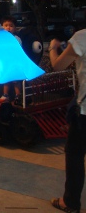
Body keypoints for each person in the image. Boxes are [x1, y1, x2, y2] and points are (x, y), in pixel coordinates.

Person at [49, 29, 86, 213]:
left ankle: (70, 202)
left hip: (85, 113)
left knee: (75, 154)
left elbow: (58, 65)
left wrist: (53, 48)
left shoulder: (82, 37)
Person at [0, 16, 23, 103]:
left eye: (11, 25)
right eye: (6, 25)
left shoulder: (16, 38)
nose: (8, 27)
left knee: (16, 81)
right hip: (5, 62)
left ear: (15, 28)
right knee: (6, 80)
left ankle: (18, 96)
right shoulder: (1, 39)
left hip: (15, 63)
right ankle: (5, 95)